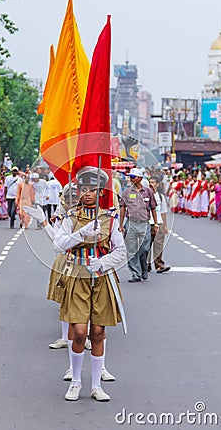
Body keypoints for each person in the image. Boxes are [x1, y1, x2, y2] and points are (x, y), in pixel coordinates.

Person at [53, 166, 126, 402]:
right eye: (83, 189)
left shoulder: (109, 219)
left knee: (97, 332)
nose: (87, 193)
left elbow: (121, 251)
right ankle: (75, 381)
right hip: (76, 275)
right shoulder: (70, 217)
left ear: (100, 192)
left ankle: (96, 385)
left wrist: (103, 262)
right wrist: (81, 233)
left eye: (92, 189)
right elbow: (59, 244)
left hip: (101, 277)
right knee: (79, 333)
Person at [119, 167, 158, 282]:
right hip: (131, 223)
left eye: (133, 177)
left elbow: (153, 208)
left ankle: (144, 268)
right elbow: (122, 208)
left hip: (144, 223)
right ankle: (136, 273)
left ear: (140, 178)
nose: (131, 179)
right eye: (130, 177)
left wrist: (155, 224)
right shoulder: (126, 192)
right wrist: (121, 225)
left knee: (144, 248)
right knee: (131, 249)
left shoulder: (148, 192)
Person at [148, 176, 170, 274]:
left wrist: (165, 226)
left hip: (159, 222)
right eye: (150, 182)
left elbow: (164, 212)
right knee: (146, 246)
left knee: (158, 245)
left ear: (157, 184)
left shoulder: (160, 197)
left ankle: (159, 265)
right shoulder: (145, 195)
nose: (151, 184)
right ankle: (146, 264)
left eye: (153, 182)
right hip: (148, 222)